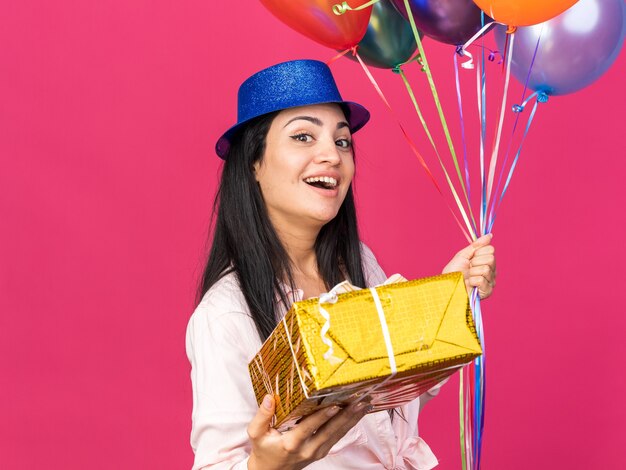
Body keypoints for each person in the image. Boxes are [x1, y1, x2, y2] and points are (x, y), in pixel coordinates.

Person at [186, 59, 496, 470]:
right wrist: (264, 467)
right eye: (303, 136)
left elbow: (385, 407)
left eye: (343, 141)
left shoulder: (359, 265)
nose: (331, 155)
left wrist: (444, 302)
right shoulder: (226, 314)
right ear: (253, 164)